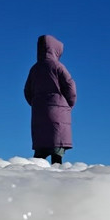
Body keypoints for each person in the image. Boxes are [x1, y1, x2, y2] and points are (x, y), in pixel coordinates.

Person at [24, 34, 76, 164]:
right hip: (58, 114)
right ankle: (57, 180)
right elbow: (70, 86)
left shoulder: (34, 69)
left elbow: (27, 91)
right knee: (57, 151)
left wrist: (35, 104)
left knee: (40, 154)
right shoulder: (58, 67)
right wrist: (69, 104)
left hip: (39, 113)